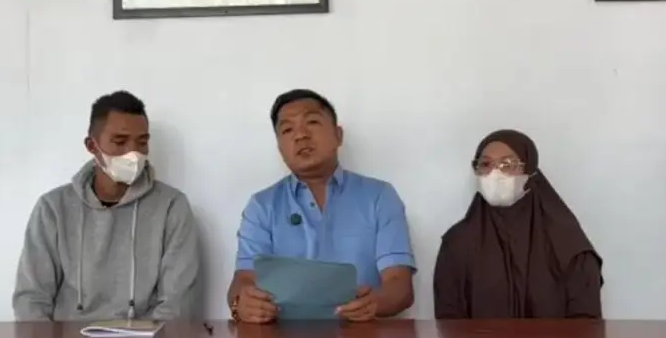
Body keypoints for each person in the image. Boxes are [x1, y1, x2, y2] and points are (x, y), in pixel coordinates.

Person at [226, 89, 416, 323]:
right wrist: (242, 303)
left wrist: (374, 303)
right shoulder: (262, 206)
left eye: (312, 122)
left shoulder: (380, 197)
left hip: (363, 335)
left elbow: (399, 285)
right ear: (280, 148)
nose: (300, 135)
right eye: (287, 130)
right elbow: (244, 280)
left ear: (338, 135)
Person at [12, 90, 201, 321]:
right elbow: (31, 300)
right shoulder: (52, 209)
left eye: (142, 143)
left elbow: (177, 304)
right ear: (92, 146)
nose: (133, 154)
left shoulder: (172, 207)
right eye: (120, 142)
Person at [433, 129, 603, 319]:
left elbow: (587, 322)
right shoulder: (457, 243)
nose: (495, 173)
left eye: (508, 164)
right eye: (486, 164)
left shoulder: (567, 243)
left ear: (530, 171)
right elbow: (448, 322)